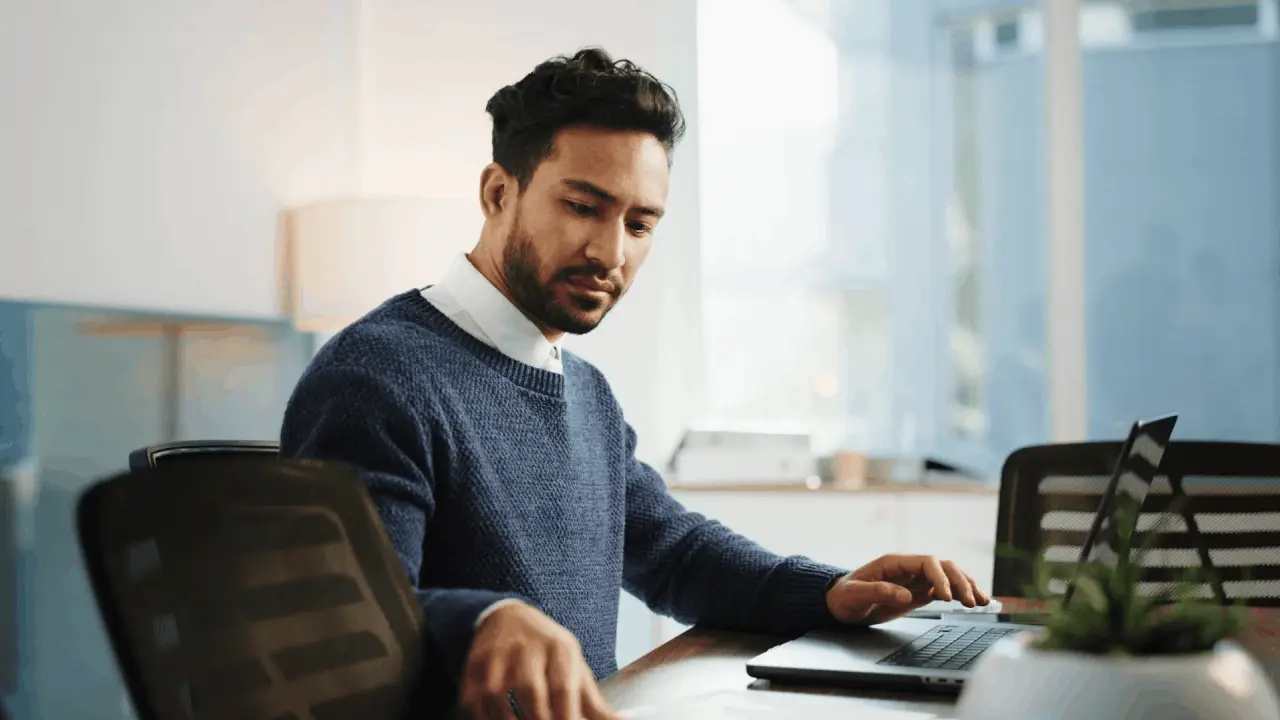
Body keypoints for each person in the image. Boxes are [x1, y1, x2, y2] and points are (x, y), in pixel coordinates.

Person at [280, 47, 989, 720]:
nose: (610, 252)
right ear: (499, 192)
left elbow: (674, 553)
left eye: (640, 223)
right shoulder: (374, 377)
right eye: (583, 207)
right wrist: (485, 620)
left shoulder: (585, 390)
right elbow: (340, 624)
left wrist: (833, 591)